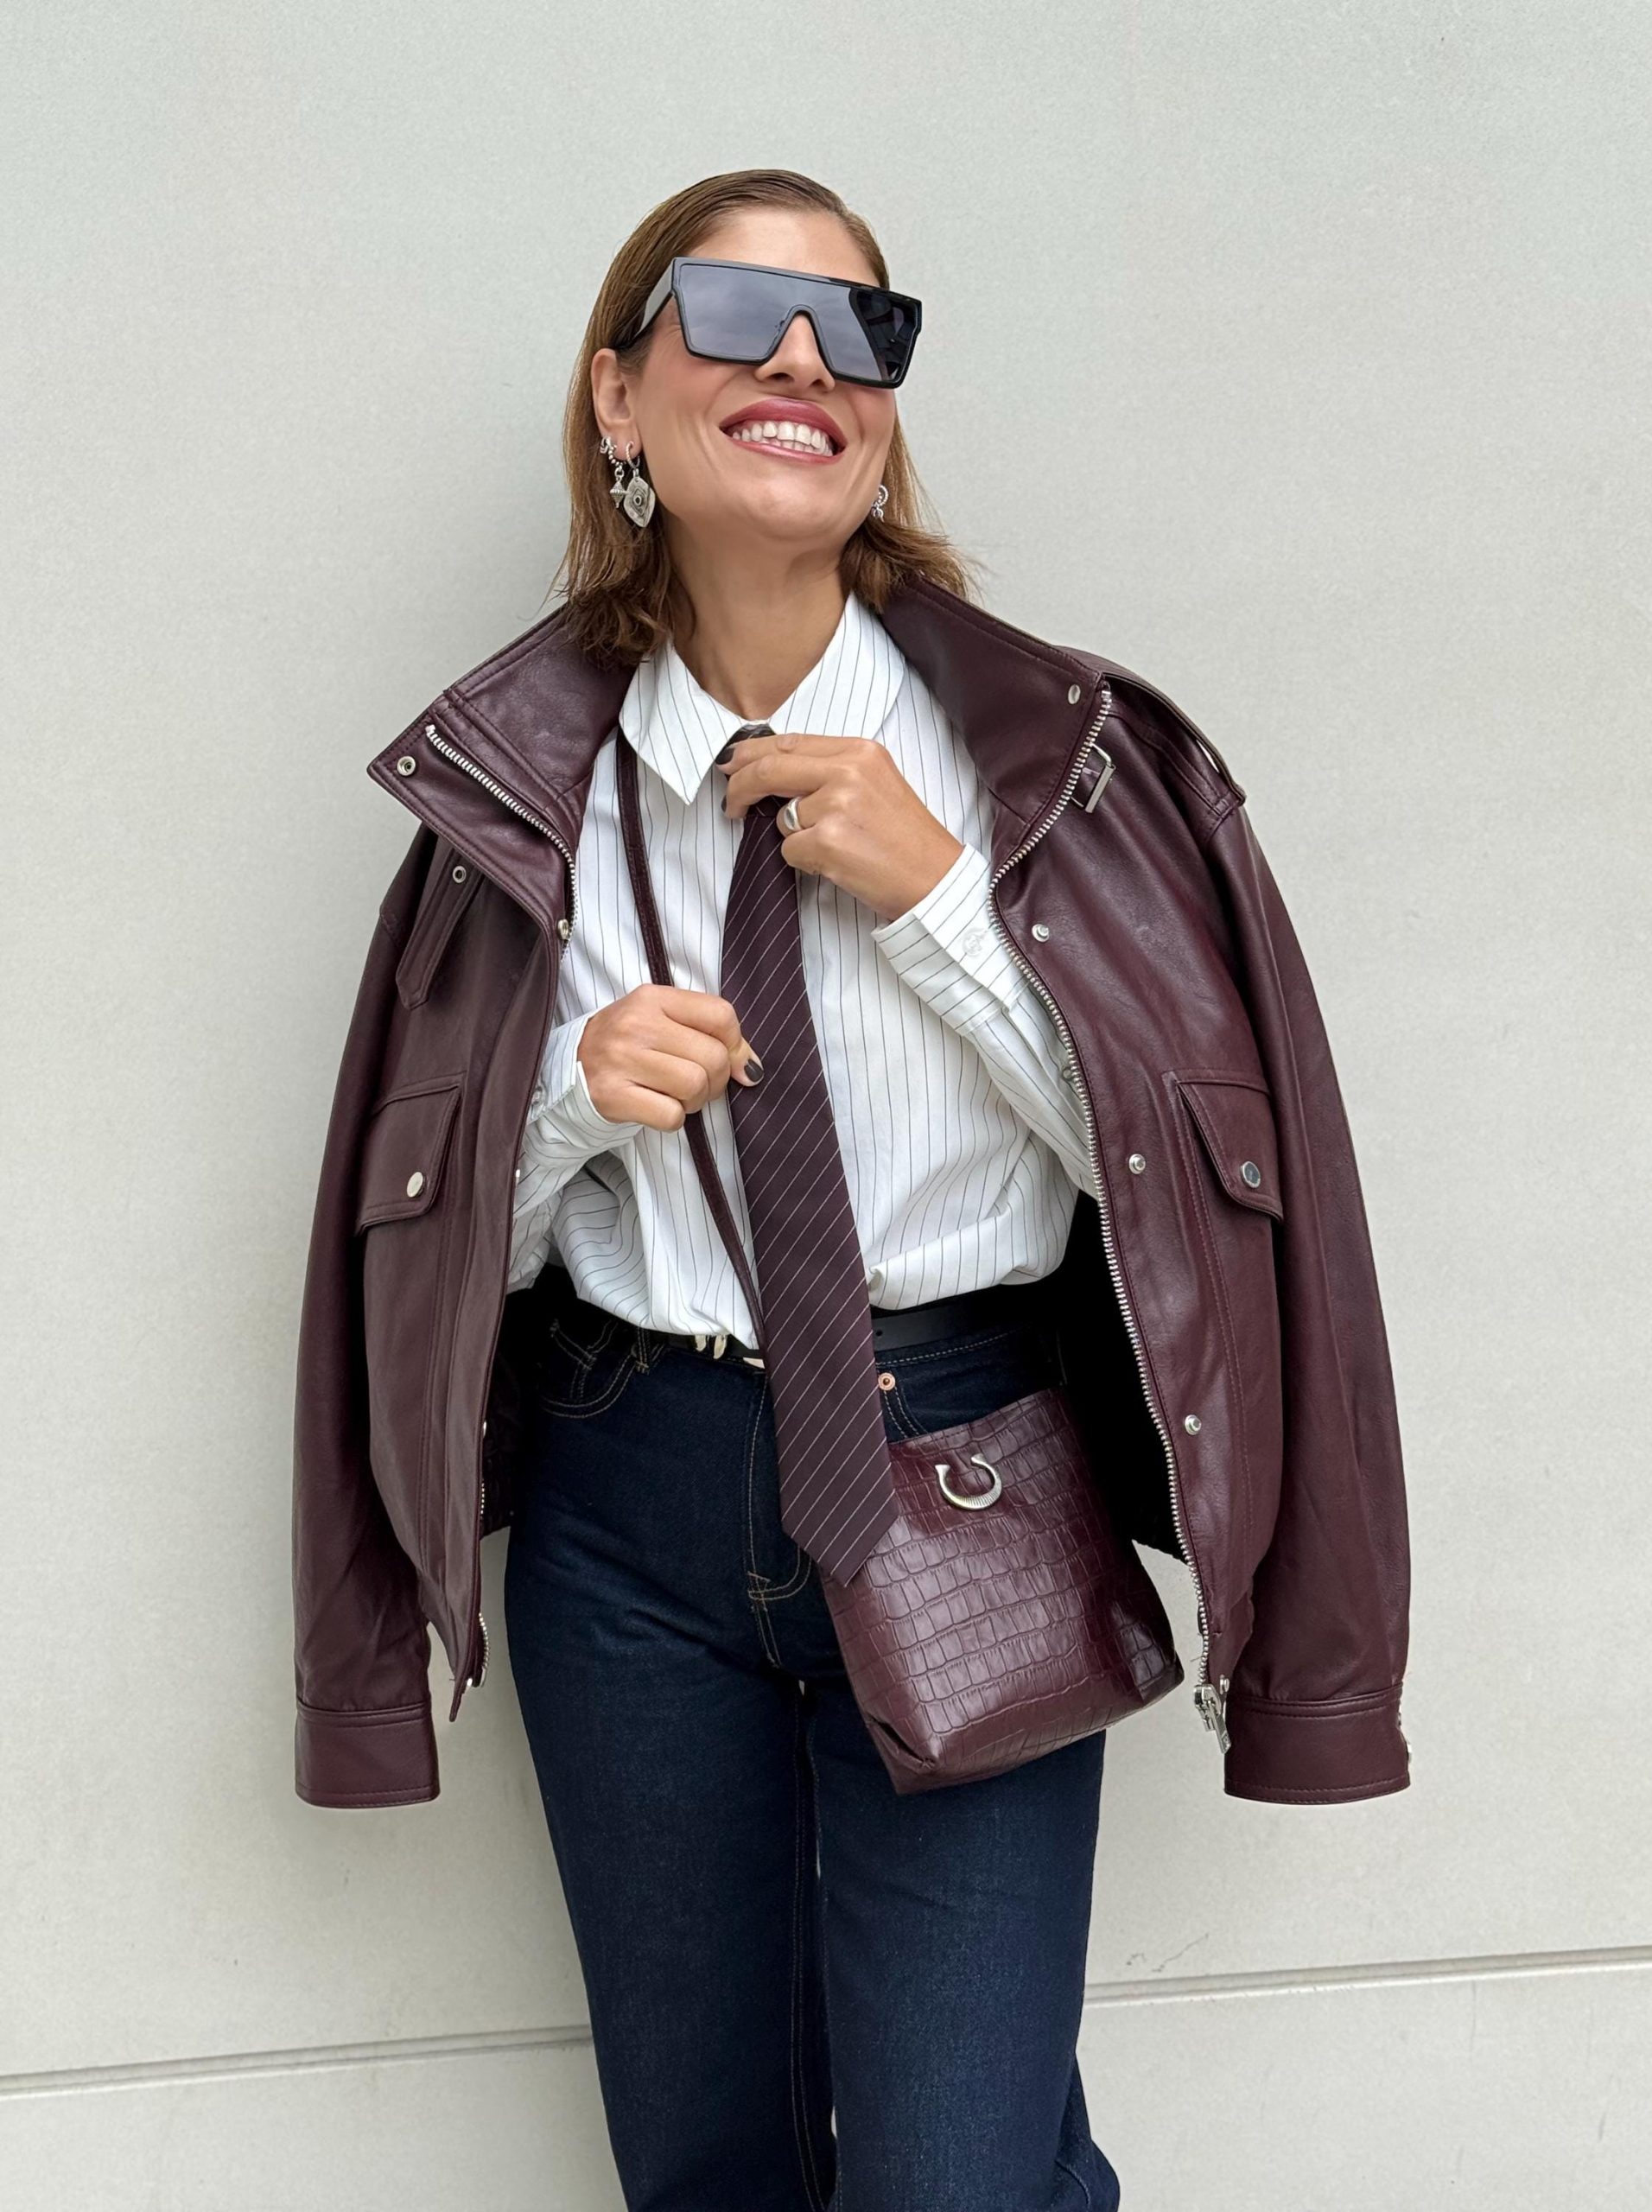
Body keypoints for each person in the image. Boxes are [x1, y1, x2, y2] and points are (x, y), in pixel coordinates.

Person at [291, 164, 1411, 2212]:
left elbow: (1192, 1200)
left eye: (860, 329)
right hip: (629, 1505)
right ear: (618, 398)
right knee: (705, 2162)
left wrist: (944, 905)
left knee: (959, 2173)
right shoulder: (520, 794)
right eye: (736, 314)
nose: (804, 360)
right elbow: (430, 1254)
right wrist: (572, 1106)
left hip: (962, 1459)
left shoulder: (1056, 761)